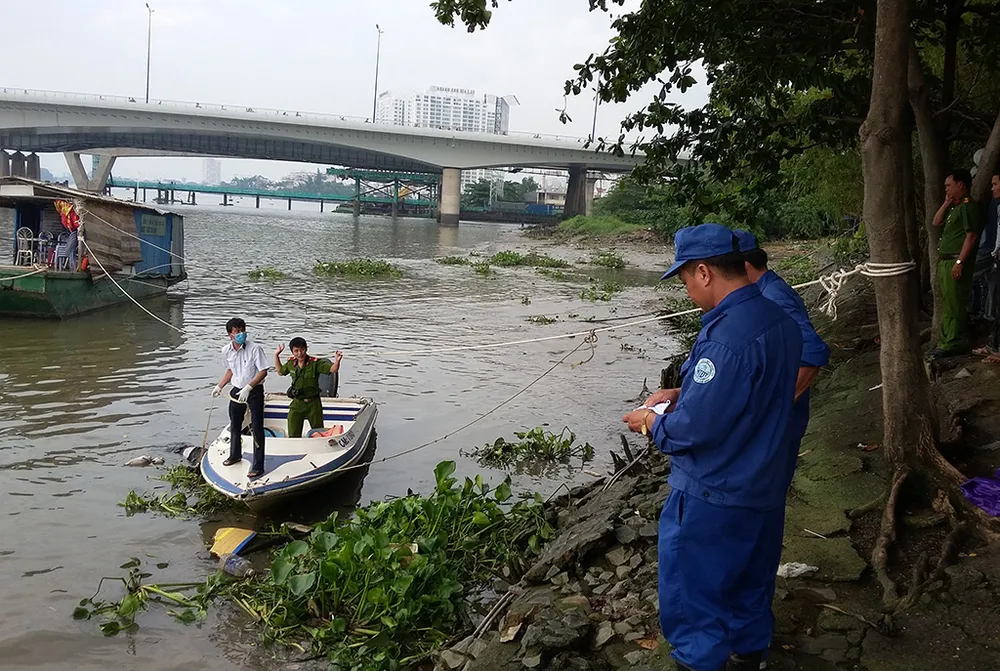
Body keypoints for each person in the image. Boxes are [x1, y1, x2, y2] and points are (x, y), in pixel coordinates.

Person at [623, 223, 802, 671]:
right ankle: (749, 657)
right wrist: (683, 393)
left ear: (703, 272)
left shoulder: (725, 337)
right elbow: (752, 392)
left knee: (696, 602)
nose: (687, 290)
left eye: (685, 279)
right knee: (750, 586)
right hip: (764, 485)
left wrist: (650, 422)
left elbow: (692, 431)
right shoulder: (778, 319)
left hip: (714, 492)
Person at [735, 229, 831, 485]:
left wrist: (781, 405)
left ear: (745, 265)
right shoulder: (766, 291)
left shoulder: (773, 297)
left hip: (778, 424)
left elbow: (813, 351)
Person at [931, 168, 982, 358]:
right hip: (945, 261)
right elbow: (936, 222)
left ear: (960, 185)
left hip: (955, 260)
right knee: (948, 302)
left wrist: (960, 262)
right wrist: (946, 203)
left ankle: (955, 342)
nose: (946, 189)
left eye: (949, 186)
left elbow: (971, 236)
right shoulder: (955, 207)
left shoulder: (968, 206)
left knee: (956, 303)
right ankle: (946, 340)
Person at [212, 318, 269, 478]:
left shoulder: (255, 349)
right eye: (237, 331)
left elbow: (263, 371)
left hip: (254, 390)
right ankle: (235, 455)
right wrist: (219, 386)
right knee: (235, 424)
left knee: (257, 427)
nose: (241, 334)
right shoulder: (226, 351)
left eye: (242, 330)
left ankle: (258, 465)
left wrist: (249, 387)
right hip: (237, 390)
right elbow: (230, 370)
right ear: (230, 334)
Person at [274, 337, 343, 438]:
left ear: (306, 349)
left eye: (302, 350)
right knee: (293, 433)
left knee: (318, 432)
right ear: (292, 352)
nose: (300, 353)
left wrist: (337, 361)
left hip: (313, 403)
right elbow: (280, 372)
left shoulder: (315, 363)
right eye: (296, 351)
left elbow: (332, 369)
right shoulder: (291, 363)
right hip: (297, 402)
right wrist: (276, 355)